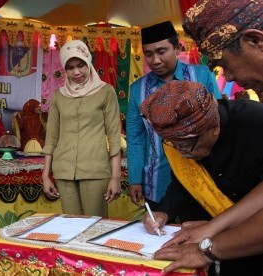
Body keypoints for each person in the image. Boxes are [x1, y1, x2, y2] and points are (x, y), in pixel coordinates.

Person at [138, 0, 263, 274]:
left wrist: (208, 246)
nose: (229, 77)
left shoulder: (253, 121)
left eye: (225, 64)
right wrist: (213, 228)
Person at [140, 80, 263, 275]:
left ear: (214, 127)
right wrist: (164, 211)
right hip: (212, 243)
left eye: (186, 145)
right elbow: (184, 181)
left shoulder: (254, 122)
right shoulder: (180, 144)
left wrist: (215, 231)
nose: (181, 152)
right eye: (173, 144)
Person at [126, 21, 222, 210]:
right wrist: (135, 179)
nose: (155, 60)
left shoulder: (202, 76)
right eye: (148, 54)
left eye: (161, 51)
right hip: (157, 181)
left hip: (203, 178)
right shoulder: (138, 90)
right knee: (158, 236)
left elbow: (219, 121)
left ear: (177, 48)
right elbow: (136, 139)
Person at [41, 40, 122, 217]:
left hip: (95, 170)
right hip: (63, 171)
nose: (76, 72)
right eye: (70, 68)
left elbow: (114, 136)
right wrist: (46, 176)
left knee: (95, 228)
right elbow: (51, 138)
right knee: (71, 229)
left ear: (88, 62)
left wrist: (116, 177)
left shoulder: (105, 92)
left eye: (81, 65)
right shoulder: (58, 96)